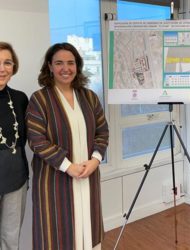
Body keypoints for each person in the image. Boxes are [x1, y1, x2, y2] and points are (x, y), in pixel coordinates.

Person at [26, 42, 109, 250]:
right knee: (56, 233)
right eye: (59, 63)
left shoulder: (89, 97)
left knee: (88, 229)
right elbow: (36, 139)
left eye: (71, 63)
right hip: (54, 179)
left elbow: (102, 131)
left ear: (77, 66)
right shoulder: (40, 99)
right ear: (50, 66)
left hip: (88, 175)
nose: (66, 68)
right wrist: (67, 166)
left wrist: (95, 160)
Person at [0, 42, 29, 250]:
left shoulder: (20, 99)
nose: (2, 69)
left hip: (16, 177)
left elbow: (25, 139)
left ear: (14, 66)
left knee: (11, 237)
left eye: (7, 62)